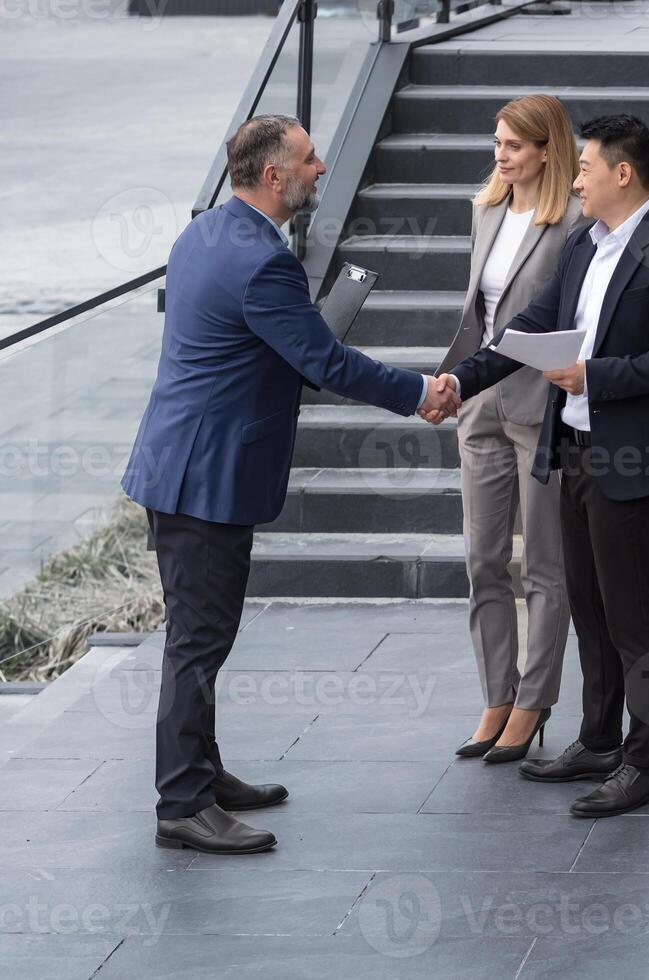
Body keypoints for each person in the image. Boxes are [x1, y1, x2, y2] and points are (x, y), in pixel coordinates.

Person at [122, 113, 460, 855]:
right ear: (273, 175)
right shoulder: (263, 262)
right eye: (308, 161)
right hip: (205, 479)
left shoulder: (204, 233)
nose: (319, 170)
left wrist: (298, 344)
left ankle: (202, 773)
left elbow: (235, 343)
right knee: (198, 643)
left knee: (199, 636)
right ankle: (181, 801)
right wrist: (419, 392)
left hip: (176, 465)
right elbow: (327, 365)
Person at [425, 114, 649, 817]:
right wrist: (462, 382)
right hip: (575, 451)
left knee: (632, 616)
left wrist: (597, 375)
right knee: (587, 605)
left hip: (636, 459)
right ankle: (598, 739)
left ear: (624, 174)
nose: (576, 177)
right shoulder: (584, 246)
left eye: (586, 167)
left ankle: (646, 763)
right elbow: (527, 330)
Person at [441, 95, 589, 765]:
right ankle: (496, 695)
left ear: (546, 151)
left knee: (545, 565)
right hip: (480, 403)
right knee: (483, 560)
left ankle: (534, 701)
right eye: (497, 141)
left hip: (541, 404)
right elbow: (479, 312)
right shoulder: (487, 209)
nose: (500, 153)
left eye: (513, 145)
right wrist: (458, 385)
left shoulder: (575, 222)